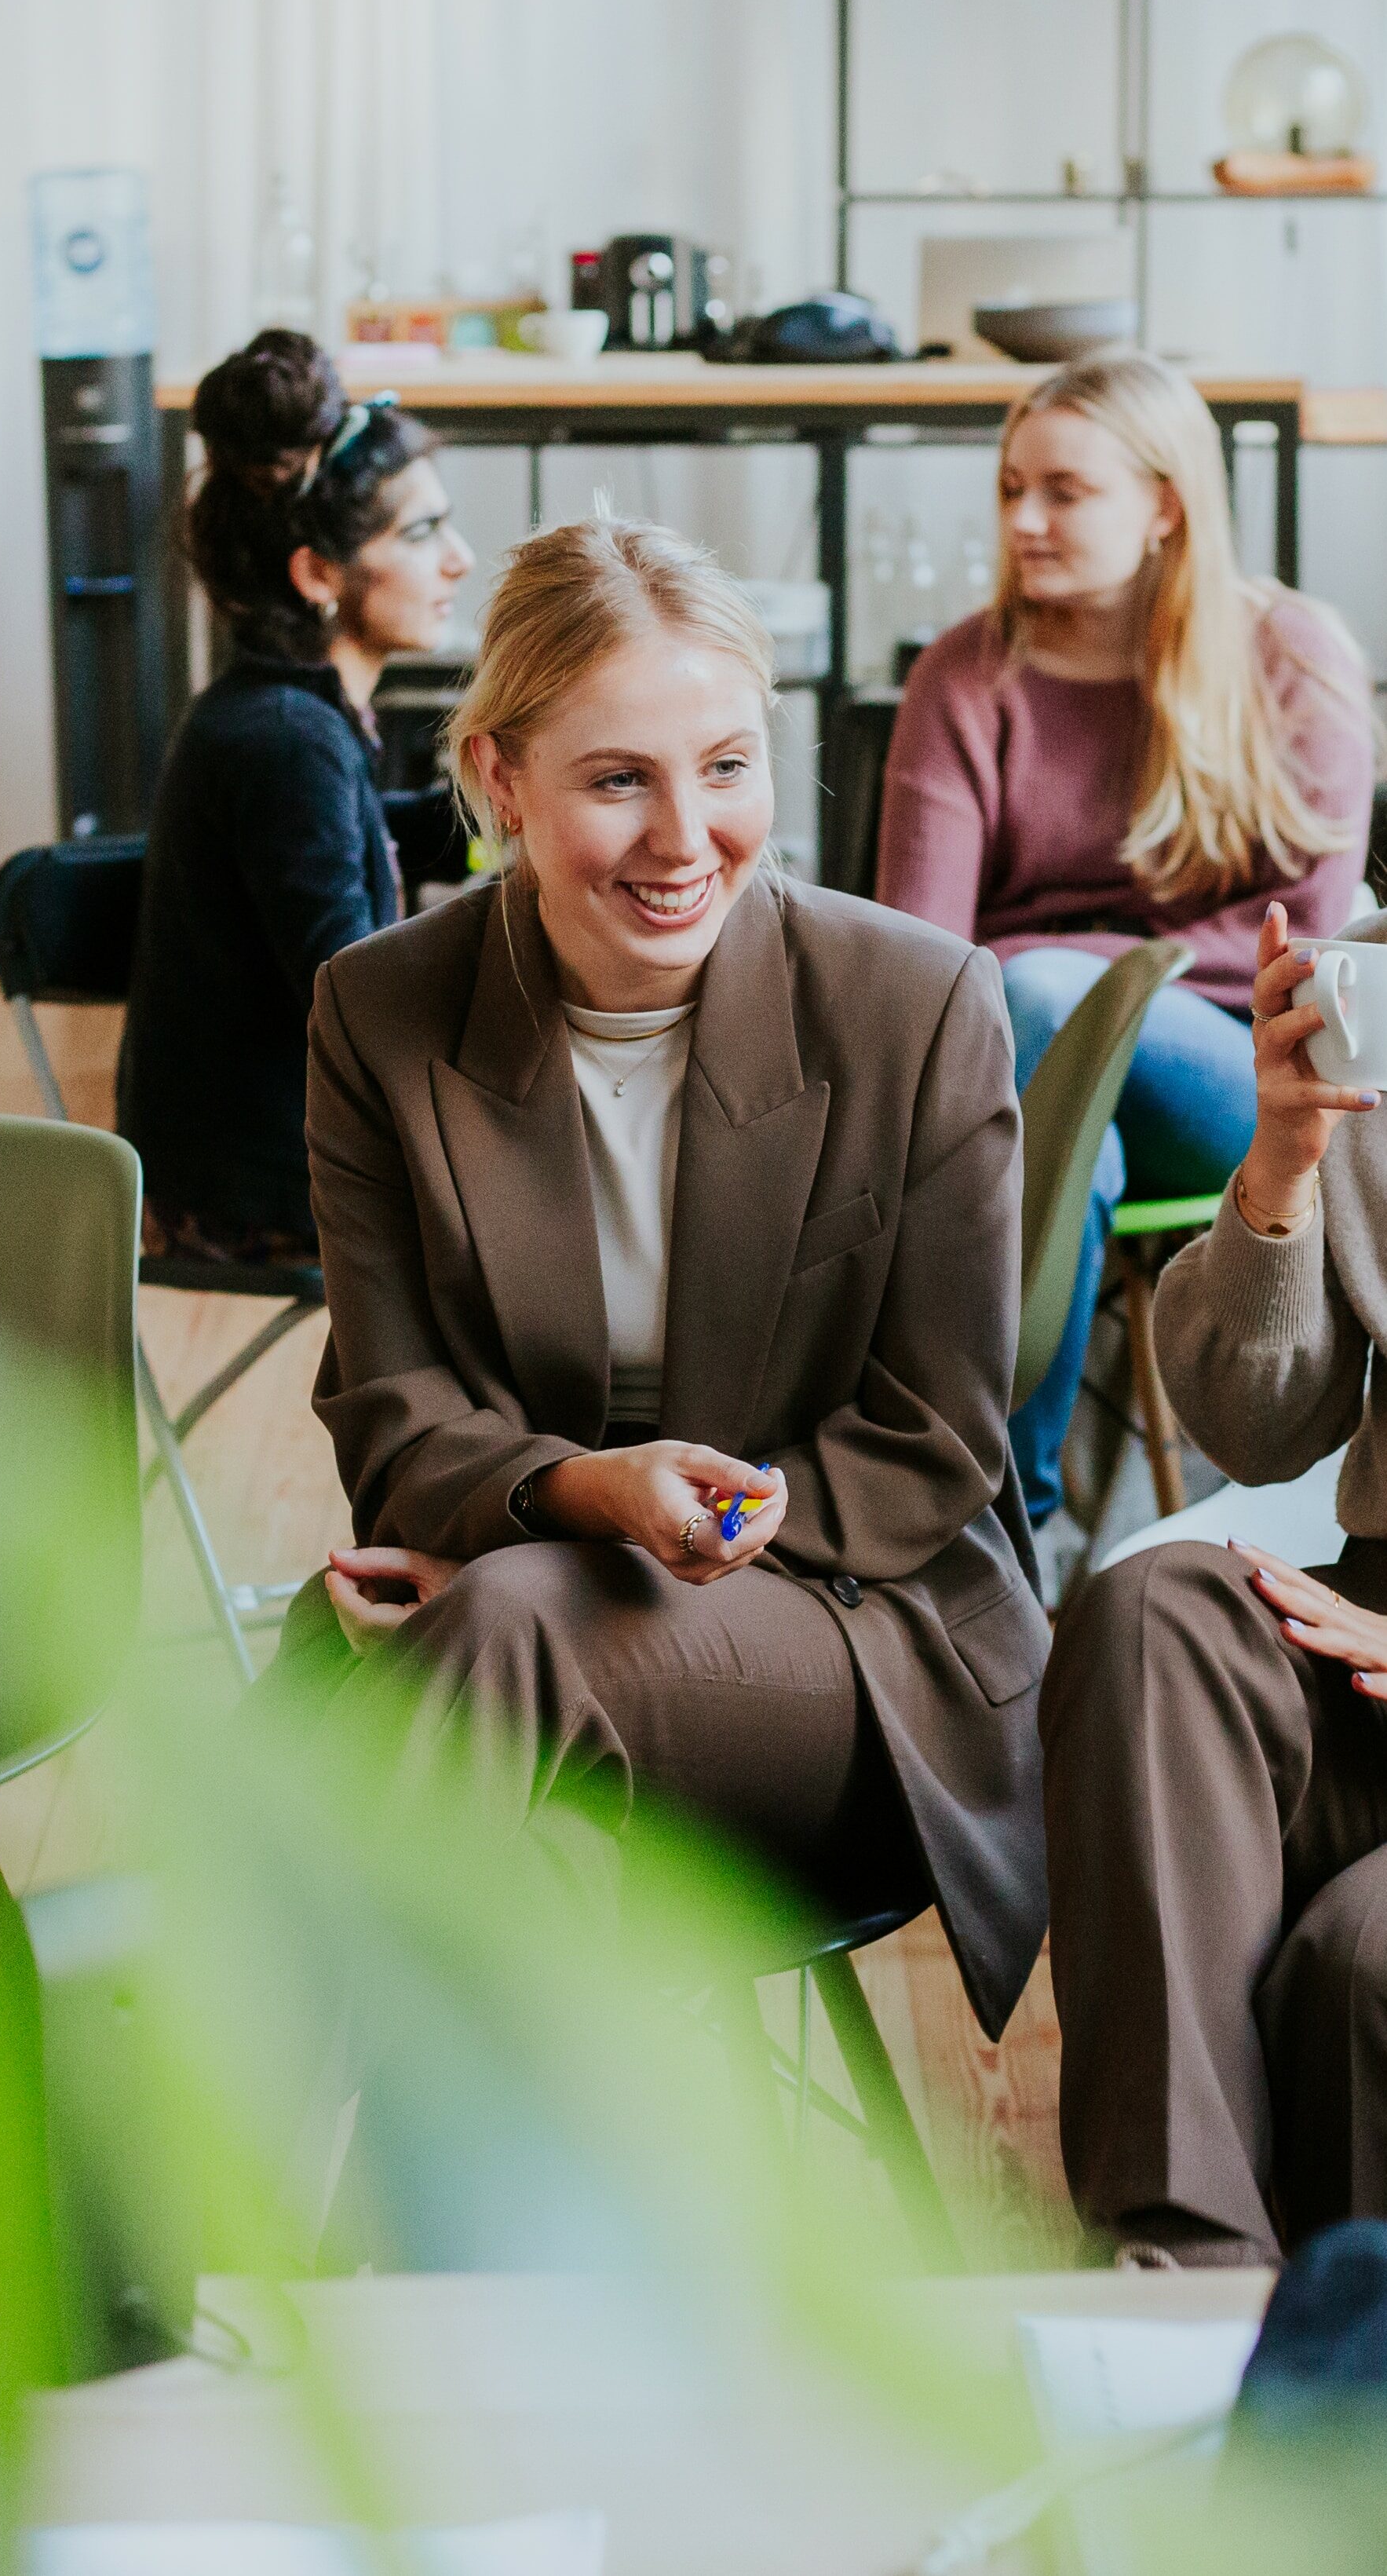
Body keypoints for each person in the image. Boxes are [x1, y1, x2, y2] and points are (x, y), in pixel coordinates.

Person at [294, 517, 1048, 2043]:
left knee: (467, 1651)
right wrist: (580, 1502)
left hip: (854, 1631)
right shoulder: (379, 1012)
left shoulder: (917, 1006)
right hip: (514, 1635)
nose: (684, 834)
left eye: (724, 764)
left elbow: (936, 1434)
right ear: (499, 779)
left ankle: (163, 2206)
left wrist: (582, 1557)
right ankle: (498, 2275)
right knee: (530, 1879)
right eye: (617, 776)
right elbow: (393, 1407)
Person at [875, 349, 1374, 1550]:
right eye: (1008, 489)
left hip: (1256, 1089)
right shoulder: (964, 675)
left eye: (1063, 490)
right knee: (1067, 1150)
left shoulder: (1292, 658)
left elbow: (1306, 953)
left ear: (1163, 503)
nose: (1024, 520)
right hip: (1031, 1075)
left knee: (1040, 986)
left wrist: (1083, 962)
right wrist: (1061, 975)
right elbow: (920, 954)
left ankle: (994, 1525)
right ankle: (1018, 1540)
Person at [1046, 896, 1387, 2264]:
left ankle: (1328, 2399)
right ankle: (1183, 2282)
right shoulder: (1363, 983)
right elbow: (1255, 1430)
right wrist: (1283, 1169)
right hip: (1360, 1610)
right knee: (1151, 1616)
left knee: (1356, 1962)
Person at [115, 328, 469, 1259]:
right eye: (424, 532)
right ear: (316, 572)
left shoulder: (283, 712)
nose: (460, 559)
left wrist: (506, 826)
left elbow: (359, 842)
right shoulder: (284, 741)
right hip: (260, 1190)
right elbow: (355, 1007)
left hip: (252, 1161)